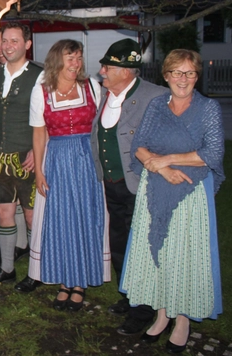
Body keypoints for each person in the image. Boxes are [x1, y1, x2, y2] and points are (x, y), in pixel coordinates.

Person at [121, 49, 224, 353]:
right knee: (160, 255)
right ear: (166, 76)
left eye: (190, 73)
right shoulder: (156, 106)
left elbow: (212, 154)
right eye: (177, 72)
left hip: (190, 195)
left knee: (185, 256)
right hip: (155, 190)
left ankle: (183, 320)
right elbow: (138, 145)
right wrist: (164, 169)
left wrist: (168, 159)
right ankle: (163, 313)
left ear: (197, 76)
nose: (183, 79)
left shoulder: (208, 109)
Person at [90, 39, 167, 333]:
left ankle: (144, 308)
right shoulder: (106, 96)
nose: (102, 71)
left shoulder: (155, 96)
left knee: (143, 247)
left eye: (107, 66)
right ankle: (130, 293)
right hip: (112, 183)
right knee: (120, 241)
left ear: (126, 70)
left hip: (140, 184)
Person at [28, 39, 109, 311]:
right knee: (62, 218)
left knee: (86, 216)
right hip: (58, 159)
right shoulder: (41, 92)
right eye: (70, 58)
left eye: (78, 58)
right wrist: (39, 170)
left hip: (86, 158)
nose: (76, 64)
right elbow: (39, 133)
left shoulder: (92, 87)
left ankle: (81, 282)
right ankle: (65, 280)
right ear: (56, 61)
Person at [0, 22, 39, 287]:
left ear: (27, 44)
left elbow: (50, 117)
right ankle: (7, 269)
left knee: (31, 216)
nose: (8, 46)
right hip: (1, 156)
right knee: (4, 213)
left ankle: (37, 271)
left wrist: (39, 151)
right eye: (5, 41)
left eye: (14, 41)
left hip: (28, 156)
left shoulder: (40, 75)